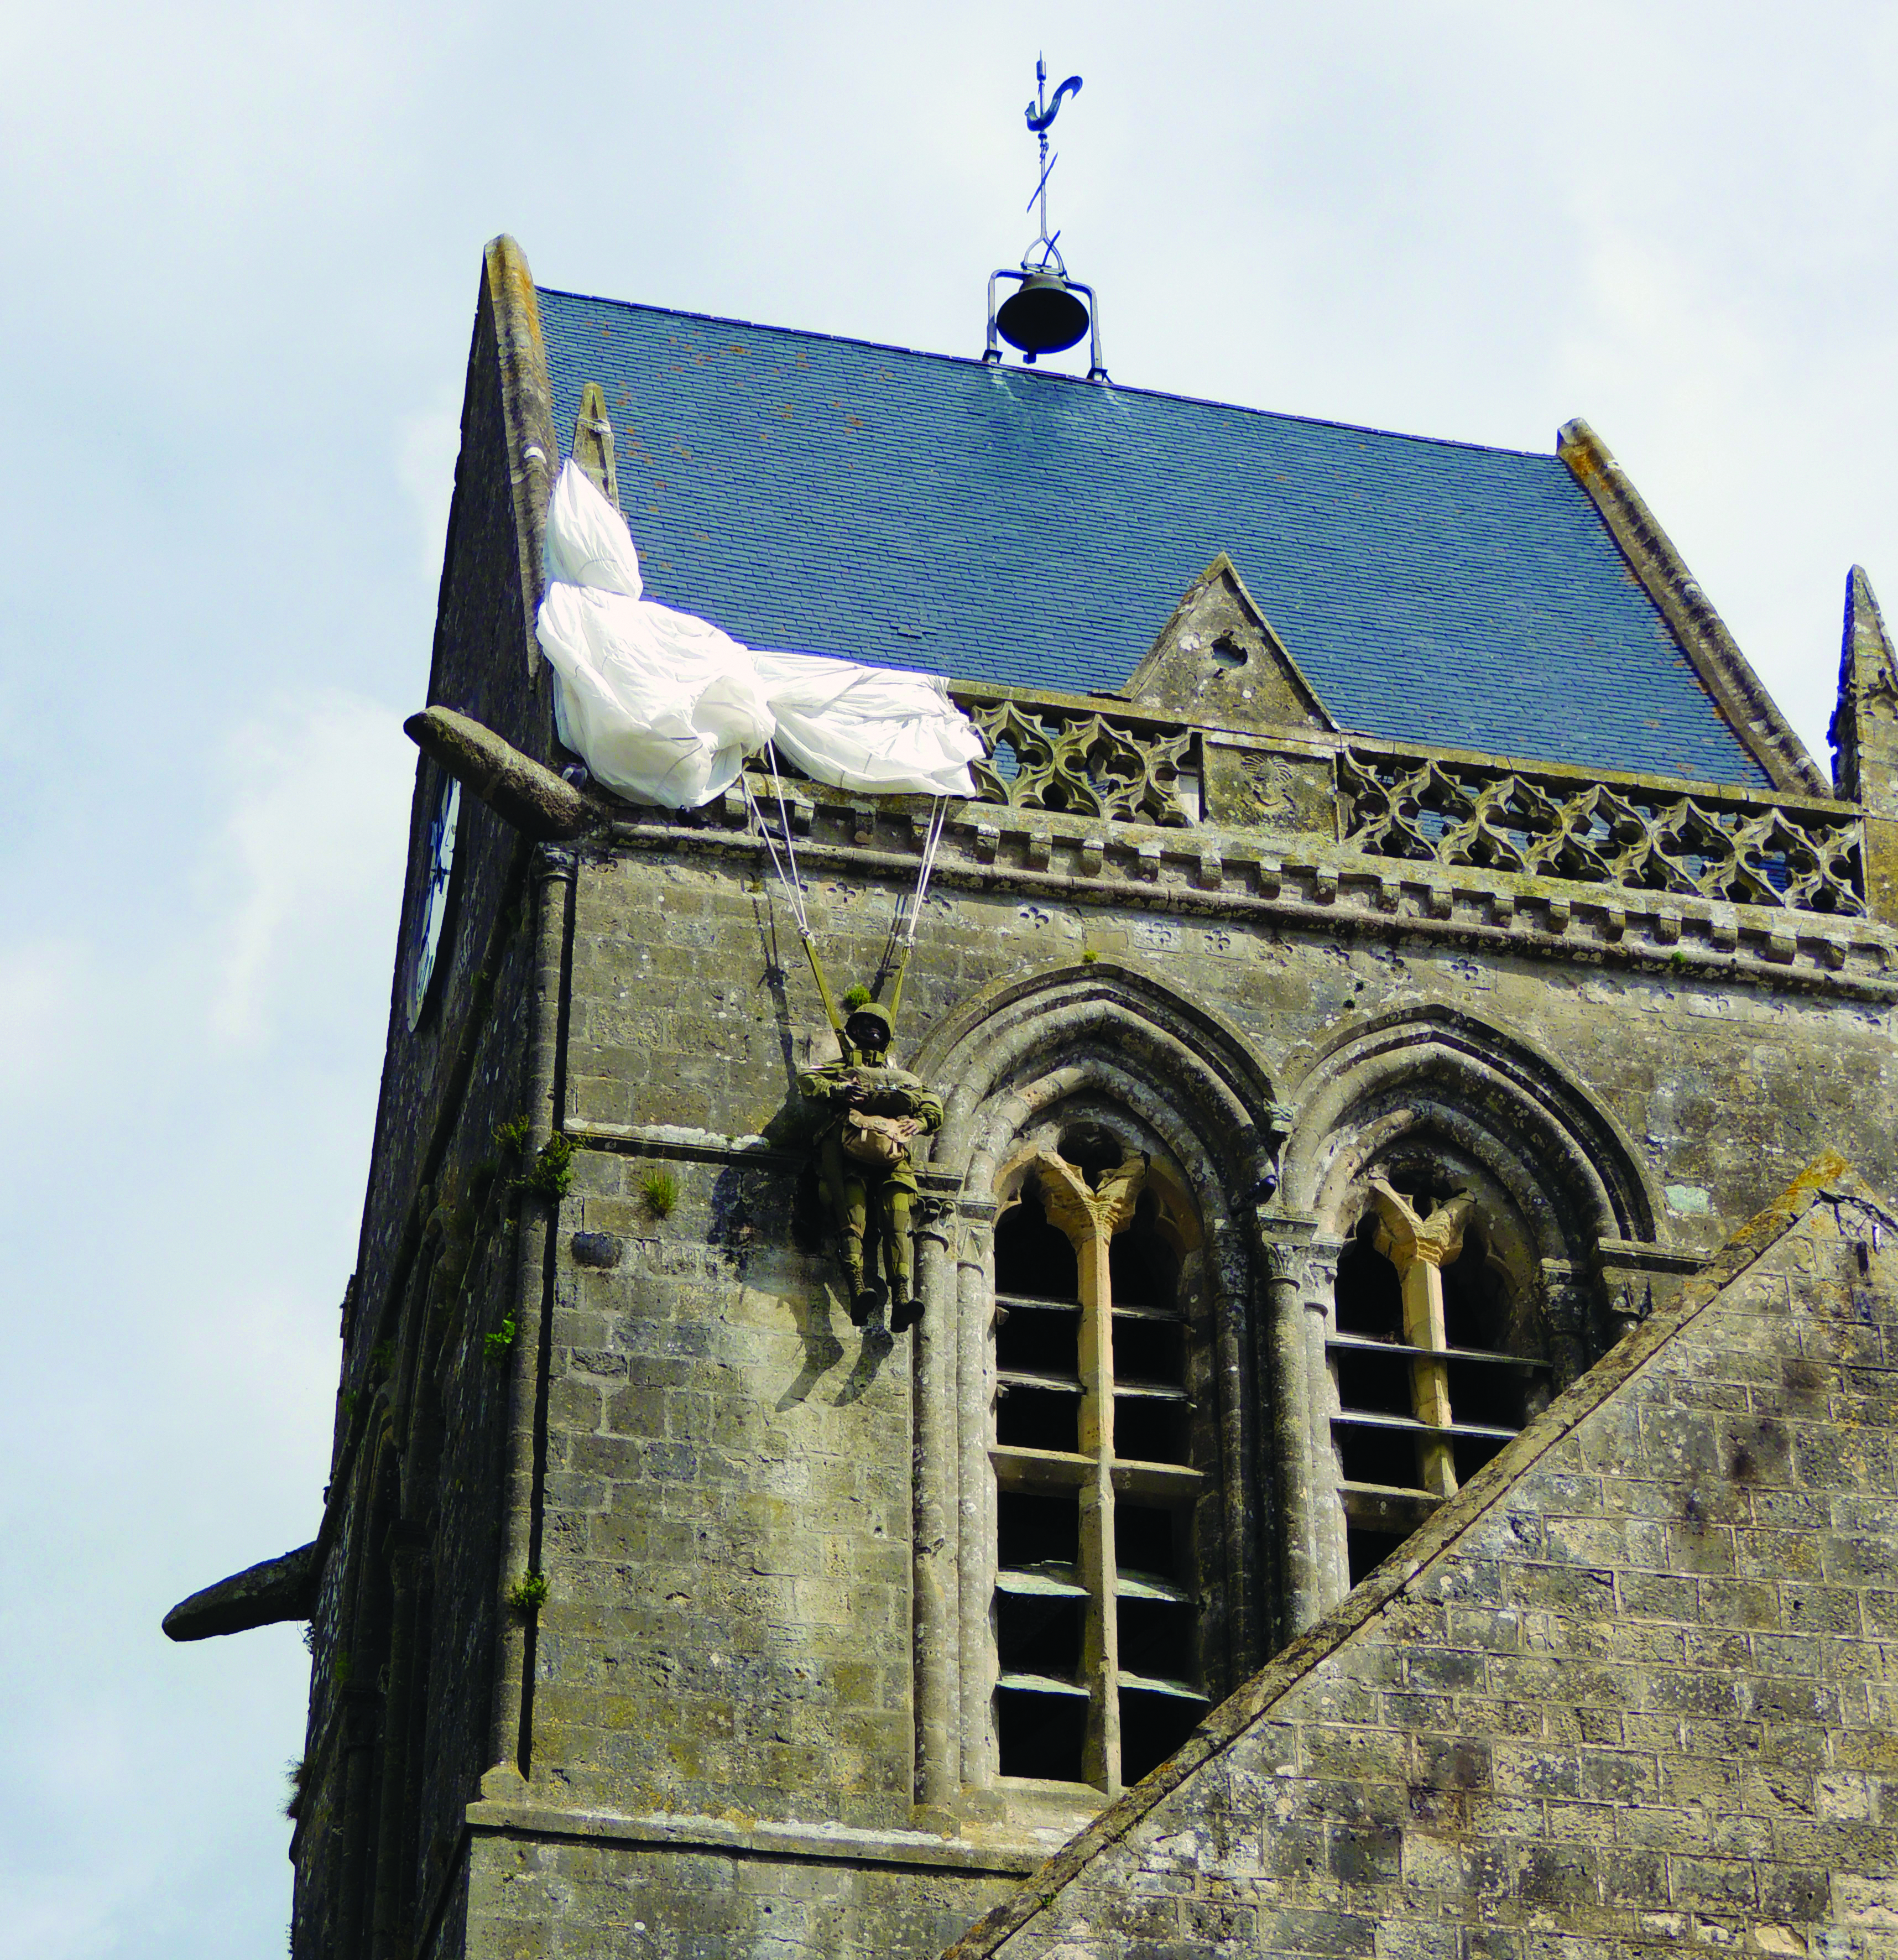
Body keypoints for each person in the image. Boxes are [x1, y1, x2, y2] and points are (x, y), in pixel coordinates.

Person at [798, 1002, 943, 1332]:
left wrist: (918, 1123)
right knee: (853, 1219)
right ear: (854, 1031)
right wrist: (839, 1090)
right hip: (849, 1152)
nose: (872, 1029)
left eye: (878, 1025)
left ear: (887, 1036)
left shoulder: (901, 1078)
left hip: (893, 1154)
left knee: (897, 1220)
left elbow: (932, 1104)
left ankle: (903, 1297)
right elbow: (807, 1079)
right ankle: (857, 1290)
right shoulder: (842, 1067)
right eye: (864, 1024)